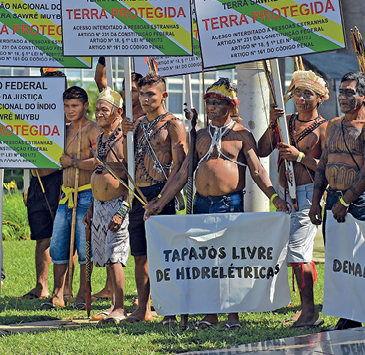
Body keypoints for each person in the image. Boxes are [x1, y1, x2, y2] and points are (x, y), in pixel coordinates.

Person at [145, 78, 288, 331]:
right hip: (200, 205)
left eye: (216, 103)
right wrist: (160, 202)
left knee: (229, 261)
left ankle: (233, 316)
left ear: (231, 106)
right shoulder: (200, 135)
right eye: (208, 103)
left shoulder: (242, 135)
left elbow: (257, 170)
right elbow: (182, 175)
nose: (211, 107)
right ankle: (210, 314)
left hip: (228, 204)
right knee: (205, 262)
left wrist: (274, 197)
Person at [309, 71, 365, 331]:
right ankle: (346, 317)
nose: (342, 97)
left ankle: (361, 315)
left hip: (360, 201)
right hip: (332, 199)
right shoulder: (333, 124)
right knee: (338, 261)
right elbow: (323, 164)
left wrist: (347, 200)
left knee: (361, 262)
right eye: (341, 92)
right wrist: (316, 201)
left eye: (349, 92)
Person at [257, 70, 329, 329]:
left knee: (298, 254)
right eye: (297, 93)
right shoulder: (284, 122)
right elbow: (261, 150)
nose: (301, 98)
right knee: (297, 254)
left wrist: (299, 156)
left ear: (320, 98)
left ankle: (310, 312)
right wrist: (271, 124)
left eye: (307, 94)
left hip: (309, 194)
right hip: (284, 193)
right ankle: (303, 310)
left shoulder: (324, 128)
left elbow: (327, 167)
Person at [122, 73, 186, 324]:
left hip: (162, 193)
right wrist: (124, 133)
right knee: (140, 255)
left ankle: (169, 310)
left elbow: (181, 168)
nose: (145, 98)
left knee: (163, 255)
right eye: (142, 93)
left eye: (151, 94)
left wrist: (161, 199)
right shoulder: (137, 124)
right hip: (138, 194)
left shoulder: (174, 124)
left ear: (164, 96)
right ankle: (143, 309)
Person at [39, 86, 100, 309]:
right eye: (66, 106)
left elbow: (101, 161)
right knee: (58, 246)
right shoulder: (61, 130)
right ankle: (57, 295)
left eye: (74, 105)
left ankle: (84, 296)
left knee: (84, 249)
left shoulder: (94, 130)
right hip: (65, 196)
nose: (70, 110)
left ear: (85, 106)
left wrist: (73, 163)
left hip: (86, 193)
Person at [83, 88, 130, 323]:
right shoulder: (102, 137)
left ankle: (120, 308)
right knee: (105, 259)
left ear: (118, 112)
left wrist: (123, 210)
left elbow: (135, 179)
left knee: (115, 257)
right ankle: (113, 305)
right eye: (97, 109)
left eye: (104, 110)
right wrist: (92, 207)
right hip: (100, 206)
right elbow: (98, 171)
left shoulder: (126, 139)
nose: (99, 114)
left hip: (118, 205)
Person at [20, 69, 66, 301]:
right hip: (37, 182)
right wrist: (28, 184)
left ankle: (64, 289)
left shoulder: (68, 119)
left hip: (59, 181)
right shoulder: (34, 114)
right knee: (41, 236)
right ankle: (41, 287)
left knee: (63, 235)